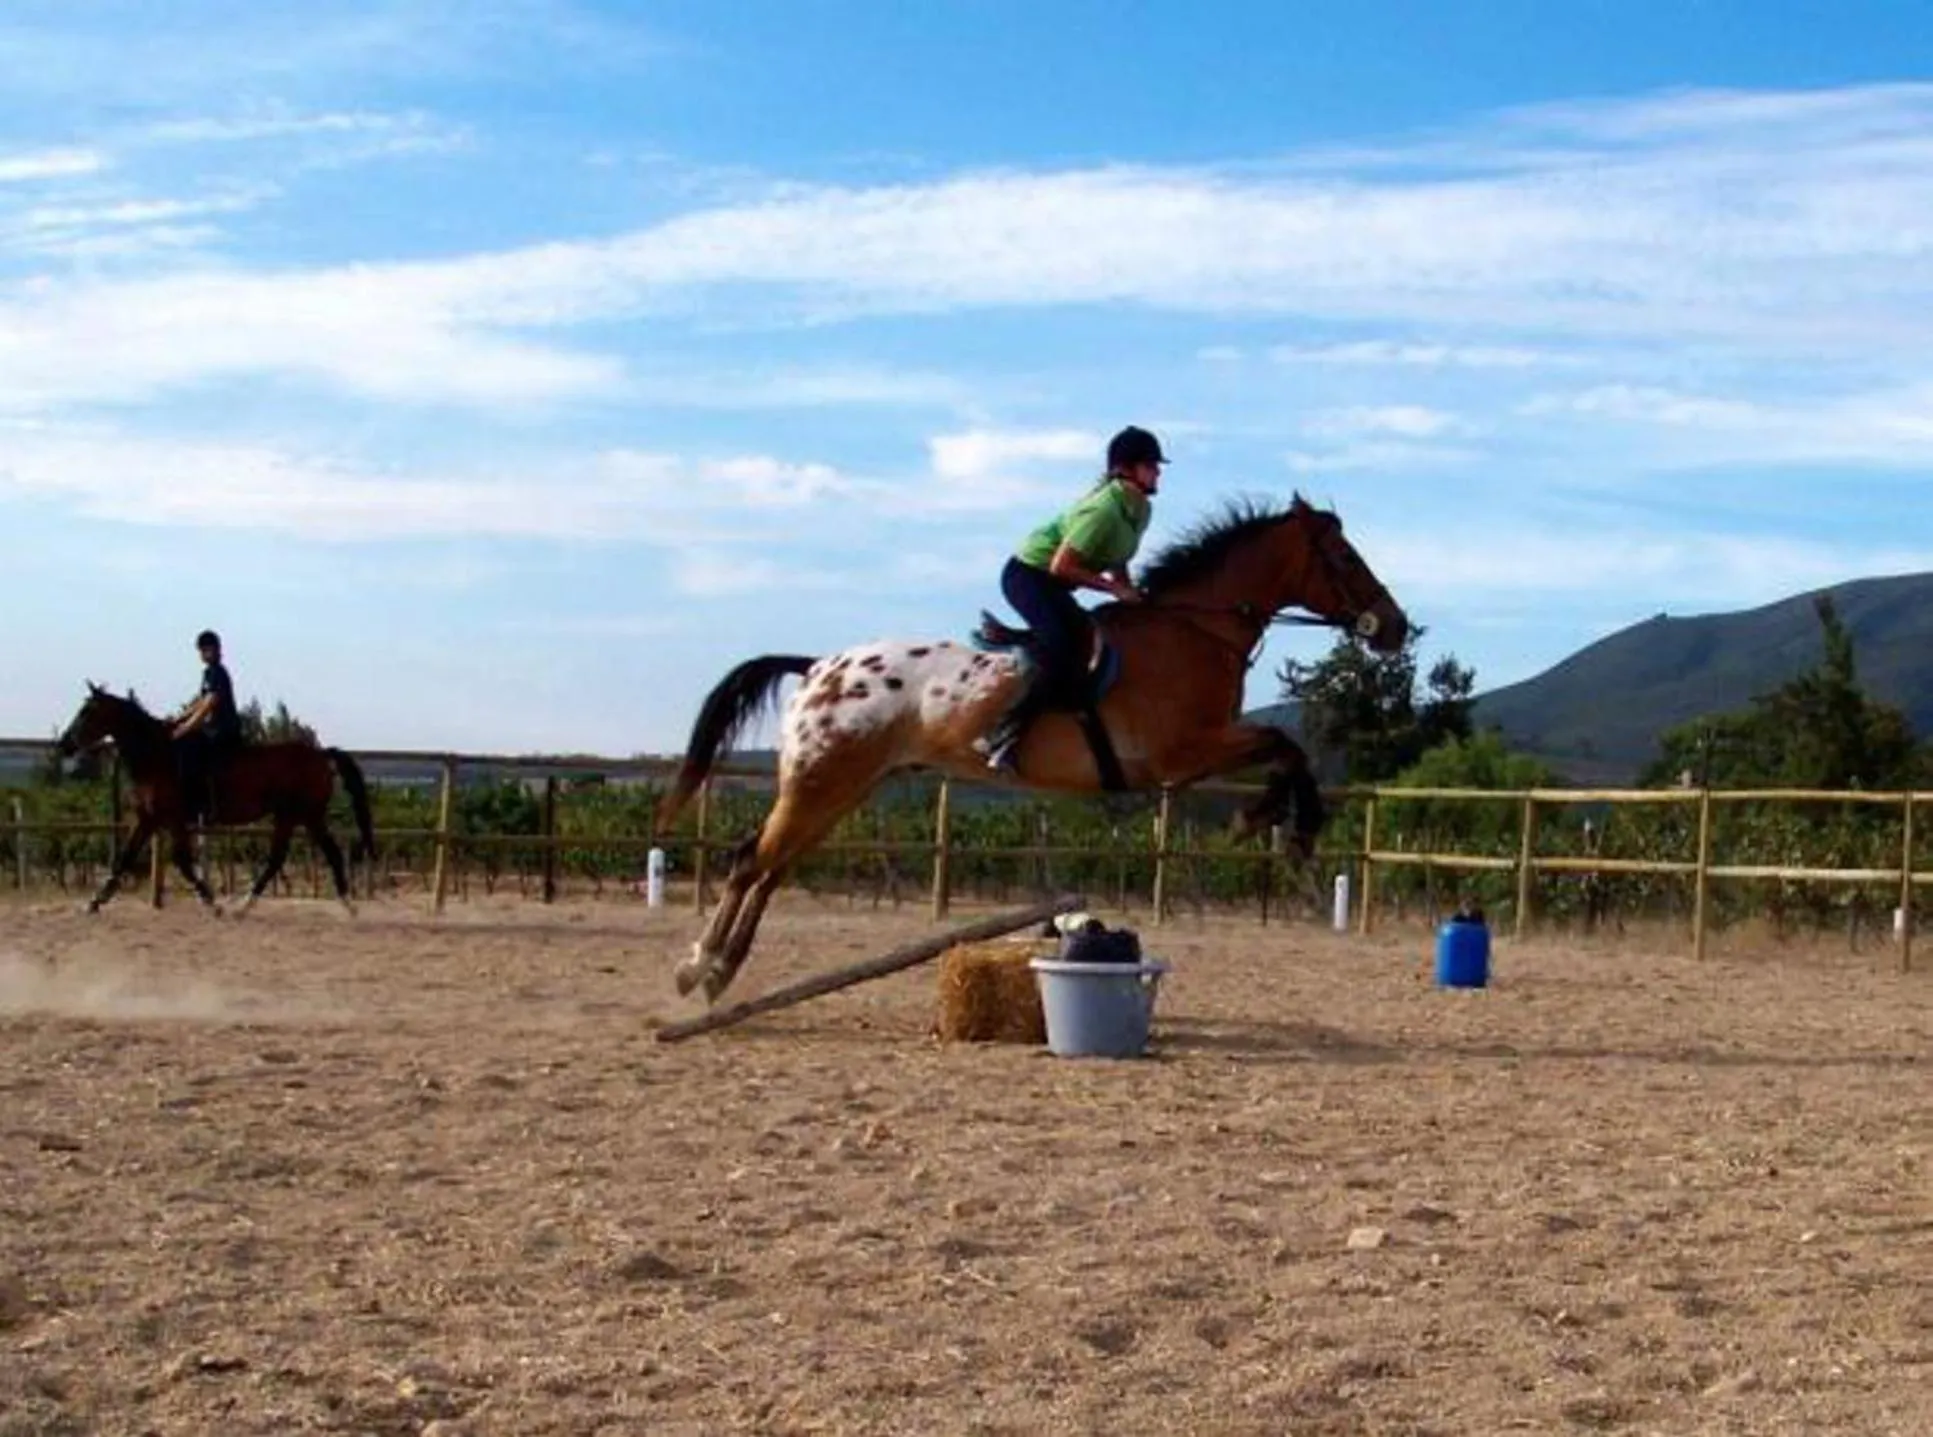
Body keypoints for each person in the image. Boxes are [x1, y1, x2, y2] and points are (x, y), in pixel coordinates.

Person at [979, 425, 1166, 772]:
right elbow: (1061, 566)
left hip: (1055, 584)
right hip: (1028, 576)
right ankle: (1002, 734)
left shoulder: (1140, 511)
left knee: (1090, 641)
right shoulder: (1103, 511)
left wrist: (1128, 592)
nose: (1158, 472)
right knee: (1061, 648)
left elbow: (1118, 556)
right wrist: (1114, 589)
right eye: (1151, 465)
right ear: (1127, 469)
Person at [173, 629, 243, 823]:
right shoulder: (208, 674)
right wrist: (178, 719)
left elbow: (210, 703)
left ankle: (204, 806)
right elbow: (200, 702)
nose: (203, 654)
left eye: (206, 650)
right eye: (202, 651)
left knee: (192, 753)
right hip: (212, 729)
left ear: (215, 649)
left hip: (224, 730)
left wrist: (187, 728)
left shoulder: (218, 673)